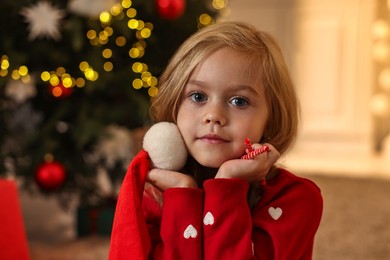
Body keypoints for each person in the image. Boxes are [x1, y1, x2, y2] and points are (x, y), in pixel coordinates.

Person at [109, 21, 323, 260]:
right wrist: (183, 194)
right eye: (198, 96)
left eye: (239, 101)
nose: (214, 115)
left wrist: (227, 185)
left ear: (271, 120)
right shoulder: (153, 194)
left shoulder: (297, 199)